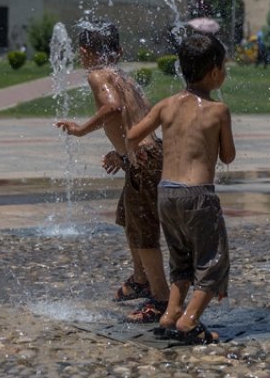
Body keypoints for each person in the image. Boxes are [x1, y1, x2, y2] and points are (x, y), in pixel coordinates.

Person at [53, 22, 170, 324]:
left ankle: (160, 298)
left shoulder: (98, 75)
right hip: (147, 155)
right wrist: (123, 153)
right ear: (118, 51)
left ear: (83, 52)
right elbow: (137, 116)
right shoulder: (123, 76)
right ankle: (141, 278)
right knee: (129, 217)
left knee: (143, 230)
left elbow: (114, 108)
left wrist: (80, 130)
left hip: (143, 160)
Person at [127, 32, 236, 345]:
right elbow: (228, 156)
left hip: (167, 193)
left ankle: (170, 315)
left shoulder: (166, 106)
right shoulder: (218, 110)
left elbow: (134, 134)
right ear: (214, 71)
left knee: (181, 260)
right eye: (224, 67)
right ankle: (190, 320)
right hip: (199, 196)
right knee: (212, 262)